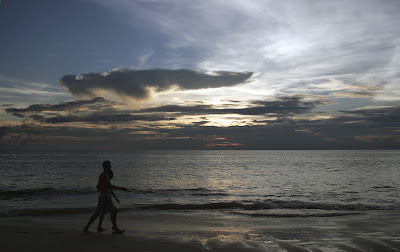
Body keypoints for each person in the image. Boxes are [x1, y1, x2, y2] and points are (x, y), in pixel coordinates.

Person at [83, 160, 127, 234]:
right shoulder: (103, 175)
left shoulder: (106, 175)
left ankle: (94, 227)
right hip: (105, 197)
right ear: (105, 167)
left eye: (110, 165)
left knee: (100, 212)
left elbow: (109, 188)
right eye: (109, 166)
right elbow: (109, 186)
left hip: (106, 196)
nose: (110, 167)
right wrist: (121, 188)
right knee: (112, 211)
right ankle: (115, 228)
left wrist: (115, 198)